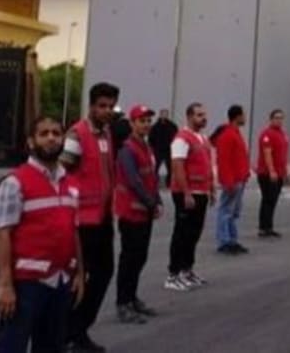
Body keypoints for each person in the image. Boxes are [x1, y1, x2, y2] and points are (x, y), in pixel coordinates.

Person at [0, 116, 85, 353]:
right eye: (44, 134)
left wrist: (78, 274)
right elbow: (2, 234)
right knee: (11, 347)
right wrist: (5, 286)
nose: (52, 138)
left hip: (61, 281)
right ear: (31, 142)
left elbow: (73, 231)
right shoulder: (15, 182)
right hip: (27, 284)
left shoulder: (70, 183)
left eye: (56, 133)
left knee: (52, 347)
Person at [61, 82, 119, 352]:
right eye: (102, 106)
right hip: (82, 220)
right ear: (92, 106)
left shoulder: (106, 134)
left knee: (104, 272)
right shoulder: (77, 134)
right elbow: (61, 172)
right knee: (79, 279)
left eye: (110, 106)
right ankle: (68, 333)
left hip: (103, 217)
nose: (107, 111)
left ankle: (78, 329)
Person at [113, 105, 161, 324]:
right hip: (131, 213)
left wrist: (157, 199)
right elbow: (133, 181)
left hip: (144, 213)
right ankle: (123, 303)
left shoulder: (147, 147)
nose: (146, 124)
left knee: (140, 257)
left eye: (148, 121)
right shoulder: (127, 149)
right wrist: (151, 203)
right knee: (129, 259)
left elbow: (151, 176)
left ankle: (132, 298)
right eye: (142, 121)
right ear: (132, 124)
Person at [165, 103, 214, 292]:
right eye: (199, 115)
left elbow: (207, 165)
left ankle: (187, 269)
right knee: (182, 233)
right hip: (186, 193)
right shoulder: (181, 138)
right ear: (189, 117)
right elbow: (177, 166)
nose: (203, 118)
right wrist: (186, 192)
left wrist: (211, 189)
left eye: (204, 114)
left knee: (194, 233)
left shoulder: (202, 138)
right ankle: (173, 274)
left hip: (201, 192)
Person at [214, 105, 250, 254]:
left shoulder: (235, 133)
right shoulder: (228, 135)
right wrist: (227, 181)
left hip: (239, 178)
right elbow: (224, 160)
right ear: (237, 117)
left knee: (234, 212)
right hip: (232, 180)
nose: (245, 118)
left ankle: (232, 239)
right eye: (243, 115)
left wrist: (246, 173)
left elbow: (240, 156)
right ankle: (224, 241)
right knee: (226, 210)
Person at [256, 109, 288, 237]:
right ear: (271, 119)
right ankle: (264, 227)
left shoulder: (282, 134)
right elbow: (267, 153)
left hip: (279, 172)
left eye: (281, 118)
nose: (279, 120)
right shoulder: (267, 134)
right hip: (267, 173)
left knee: (273, 200)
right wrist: (272, 171)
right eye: (276, 118)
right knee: (268, 200)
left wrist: (284, 173)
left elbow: (283, 155)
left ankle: (268, 226)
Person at [148, 109, 177, 188]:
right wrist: (152, 147)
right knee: (155, 168)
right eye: (162, 114)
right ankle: (153, 183)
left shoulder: (172, 126)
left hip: (169, 150)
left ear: (167, 115)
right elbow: (151, 138)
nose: (164, 115)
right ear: (160, 115)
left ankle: (169, 184)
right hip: (158, 150)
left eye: (165, 114)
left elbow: (176, 137)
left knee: (170, 168)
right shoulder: (155, 127)